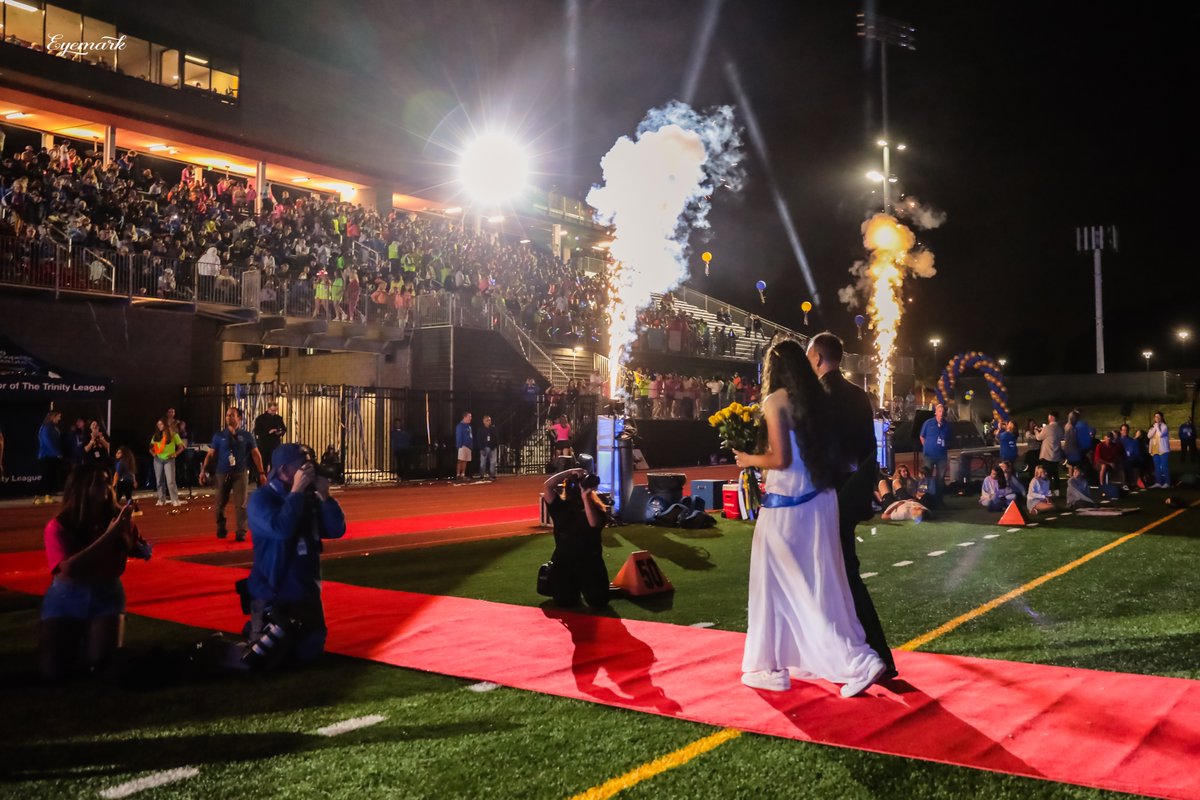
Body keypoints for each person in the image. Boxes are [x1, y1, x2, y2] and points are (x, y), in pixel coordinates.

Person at [734, 338, 887, 696]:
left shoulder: (776, 401)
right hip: (820, 500)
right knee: (823, 584)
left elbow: (780, 459)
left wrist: (748, 459)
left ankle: (855, 661)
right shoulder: (819, 400)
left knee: (786, 585)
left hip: (787, 504)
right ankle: (790, 659)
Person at [806, 331, 895, 679]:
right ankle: (846, 653)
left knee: (841, 576)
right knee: (837, 575)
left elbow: (818, 452)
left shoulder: (818, 396)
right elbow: (867, 452)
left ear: (816, 358)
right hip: (851, 494)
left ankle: (873, 655)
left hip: (828, 497)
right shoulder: (860, 396)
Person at [38, 464, 151, 680]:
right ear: (81, 488)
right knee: (53, 673)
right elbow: (68, 569)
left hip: (106, 595)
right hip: (66, 598)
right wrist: (110, 536)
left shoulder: (118, 520)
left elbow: (135, 551)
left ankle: (89, 642)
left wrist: (136, 544)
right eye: (98, 482)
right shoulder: (58, 526)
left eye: (108, 481)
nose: (107, 488)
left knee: (102, 667)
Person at [243, 444, 346, 667]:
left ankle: (266, 634)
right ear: (283, 471)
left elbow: (336, 529)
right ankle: (257, 629)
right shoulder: (261, 499)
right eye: (303, 468)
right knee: (273, 661)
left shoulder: (308, 499)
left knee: (309, 655)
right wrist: (297, 492)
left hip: (306, 593)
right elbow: (282, 529)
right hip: (274, 592)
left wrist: (325, 497)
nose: (309, 473)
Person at [541, 467, 610, 607]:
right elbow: (547, 486)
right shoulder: (560, 506)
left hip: (590, 562)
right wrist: (570, 472)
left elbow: (594, 523)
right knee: (564, 602)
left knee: (599, 601)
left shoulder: (596, 507)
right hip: (564, 562)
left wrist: (586, 498)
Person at [200, 407, 266, 542]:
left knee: (241, 504)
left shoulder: (247, 436)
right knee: (219, 504)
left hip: (240, 473)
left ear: (239, 418)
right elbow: (210, 454)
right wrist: (203, 471)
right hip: (222, 473)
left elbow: (255, 454)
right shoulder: (219, 436)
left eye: (232, 415)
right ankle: (221, 527)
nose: (229, 417)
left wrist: (261, 472)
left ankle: (241, 531)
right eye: (227, 415)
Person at [919, 403, 953, 498]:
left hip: (941, 456)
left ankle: (938, 498)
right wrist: (927, 446)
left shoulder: (947, 425)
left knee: (940, 478)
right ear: (935, 412)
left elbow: (949, 439)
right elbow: (921, 436)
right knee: (927, 476)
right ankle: (927, 497)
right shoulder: (928, 423)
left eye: (943, 411)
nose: (941, 413)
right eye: (939, 411)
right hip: (929, 455)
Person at [149, 417, 184, 507]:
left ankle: (175, 499)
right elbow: (150, 447)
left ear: (165, 425)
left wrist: (175, 454)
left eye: (161, 424)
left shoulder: (173, 435)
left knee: (170, 481)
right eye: (158, 425)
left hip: (169, 459)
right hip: (158, 459)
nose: (159, 426)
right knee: (159, 481)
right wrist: (153, 453)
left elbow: (181, 447)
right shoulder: (156, 435)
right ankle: (161, 499)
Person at [36, 411, 63, 505]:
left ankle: (48, 496)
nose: (59, 419)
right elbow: (47, 442)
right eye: (58, 416)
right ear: (52, 417)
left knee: (50, 477)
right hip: (46, 456)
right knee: (46, 477)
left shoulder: (54, 427)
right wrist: (56, 453)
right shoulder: (46, 428)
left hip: (53, 456)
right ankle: (38, 497)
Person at [253, 401, 287, 472]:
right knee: (263, 464)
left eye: (275, 410)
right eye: (272, 410)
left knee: (274, 464)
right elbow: (257, 431)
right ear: (268, 409)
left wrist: (280, 432)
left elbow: (284, 429)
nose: (274, 412)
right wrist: (268, 432)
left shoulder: (278, 418)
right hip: (264, 445)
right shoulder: (261, 418)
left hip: (275, 444)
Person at [1035, 411, 1065, 491]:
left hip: (1047, 455)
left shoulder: (1047, 427)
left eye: (1049, 417)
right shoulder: (1059, 428)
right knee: (1056, 474)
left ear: (1051, 417)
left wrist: (1036, 431)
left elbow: (1039, 437)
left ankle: (1047, 490)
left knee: (1047, 474)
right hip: (1056, 455)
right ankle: (1057, 490)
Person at [1149, 411, 1171, 488]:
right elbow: (1149, 436)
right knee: (1156, 466)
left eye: (1158, 416)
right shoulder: (1153, 427)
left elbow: (1161, 434)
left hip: (1163, 450)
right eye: (1155, 417)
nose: (1157, 418)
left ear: (1161, 417)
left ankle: (1167, 482)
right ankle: (1158, 482)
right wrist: (1155, 427)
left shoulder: (1164, 426)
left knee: (1164, 466)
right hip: (1154, 450)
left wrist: (1157, 426)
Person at [389, 418, 412, 482]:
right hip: (398, 450)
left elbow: (409, 438)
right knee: (399, 464)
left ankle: (406, 476)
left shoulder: (405, 431)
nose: (398, 424)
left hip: (405, 449)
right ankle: (400, 476)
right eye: (397, 423)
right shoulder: (393, 432)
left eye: (399, 423)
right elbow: (394, 441)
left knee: (406, 463)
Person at [454, 412, 473, 481]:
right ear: (465, 417)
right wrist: (459, 446)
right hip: (462, 446)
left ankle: (463, 475)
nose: (471, 418)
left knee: (465, 461)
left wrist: (471, 446)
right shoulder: (460, 426)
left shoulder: (469, 426)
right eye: (469, 416)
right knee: (461, 460)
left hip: (468, 446)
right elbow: (458, 436)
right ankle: (458, 475)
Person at [479, 415, 499, 480]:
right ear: (483, 421)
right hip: (484, 448)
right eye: (487, 420)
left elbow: (496, 438)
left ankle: (492, 475)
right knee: (483, 463)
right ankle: (482, 475)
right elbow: (479, 440)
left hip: (492, 448)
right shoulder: (481, 430)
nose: (489, 422)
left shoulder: (493, 429)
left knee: (493, 462)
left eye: (489, 420)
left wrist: (494, 446)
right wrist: (481, 448)